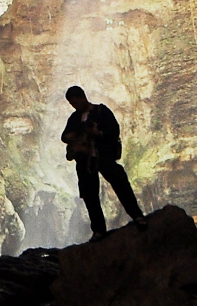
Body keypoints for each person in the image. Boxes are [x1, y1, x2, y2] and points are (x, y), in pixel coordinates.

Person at [61, 84, 145, 238]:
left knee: (120, 183)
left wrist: (98, 133)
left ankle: (137, 216)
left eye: (75, 102)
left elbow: (114, 130)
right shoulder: (74, 118)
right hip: (84, 161)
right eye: (72, 104)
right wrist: (72, 136)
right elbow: (64, 136)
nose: (74, 106)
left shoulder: (101, 111)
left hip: (103, 156)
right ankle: (98, 230)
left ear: (82, 97)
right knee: (89, 195)